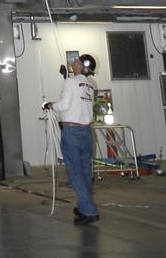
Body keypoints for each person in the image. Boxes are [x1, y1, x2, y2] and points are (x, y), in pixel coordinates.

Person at [44, 53, 99, 225]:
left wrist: (50, 105)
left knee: (74, 172)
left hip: (72, 132)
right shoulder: (90, 85)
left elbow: (64, 105)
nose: (73, 62)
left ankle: (89, 210)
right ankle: (83, 207)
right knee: (84, 172)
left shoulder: (70, 82)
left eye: (76, 61)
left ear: (81, 66)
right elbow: (77, 101)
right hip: (86, 132)